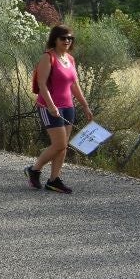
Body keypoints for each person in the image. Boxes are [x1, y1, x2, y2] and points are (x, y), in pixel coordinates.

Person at [26, 24, 93, 194]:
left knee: (63, 147)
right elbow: (42, 84)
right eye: (63, 38)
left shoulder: (69, 59)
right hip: (49, 107)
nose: (67, 41)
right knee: (59, 144)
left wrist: (85, 106)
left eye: (70, 38)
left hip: (68, 107)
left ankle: (54, 180)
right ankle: (34, 169)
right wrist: (50, 105)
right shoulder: (48, 57)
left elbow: (74, 85)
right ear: (55, 39)